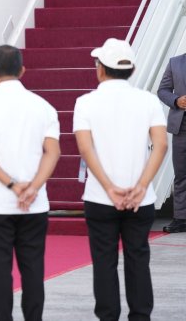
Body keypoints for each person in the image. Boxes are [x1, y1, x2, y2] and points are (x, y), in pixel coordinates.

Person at [74, 38, 168, 321]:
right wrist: (140, 187)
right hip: (141, 199)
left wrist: (109, 188)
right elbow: (160, 145)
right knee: (138, 258)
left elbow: (85, 148)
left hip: (100, 198)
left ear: (101, 69)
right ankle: (141, 316)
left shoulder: (85, 102)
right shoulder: (149, 101)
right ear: (131, 69)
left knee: (104, 262)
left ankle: (108, 317)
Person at [0, 45, 61, 321]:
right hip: (34, 204)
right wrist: (32, 187)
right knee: (33, 269)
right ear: (22, 70)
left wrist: (12, 185)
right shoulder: (42, 106)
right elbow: (53, 151)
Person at [156, 52, 186, 233]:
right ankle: (181, 218)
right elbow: (163, 90)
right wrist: (176, 100)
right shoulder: (175, 62)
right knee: (181, 175)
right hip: (181, 128)